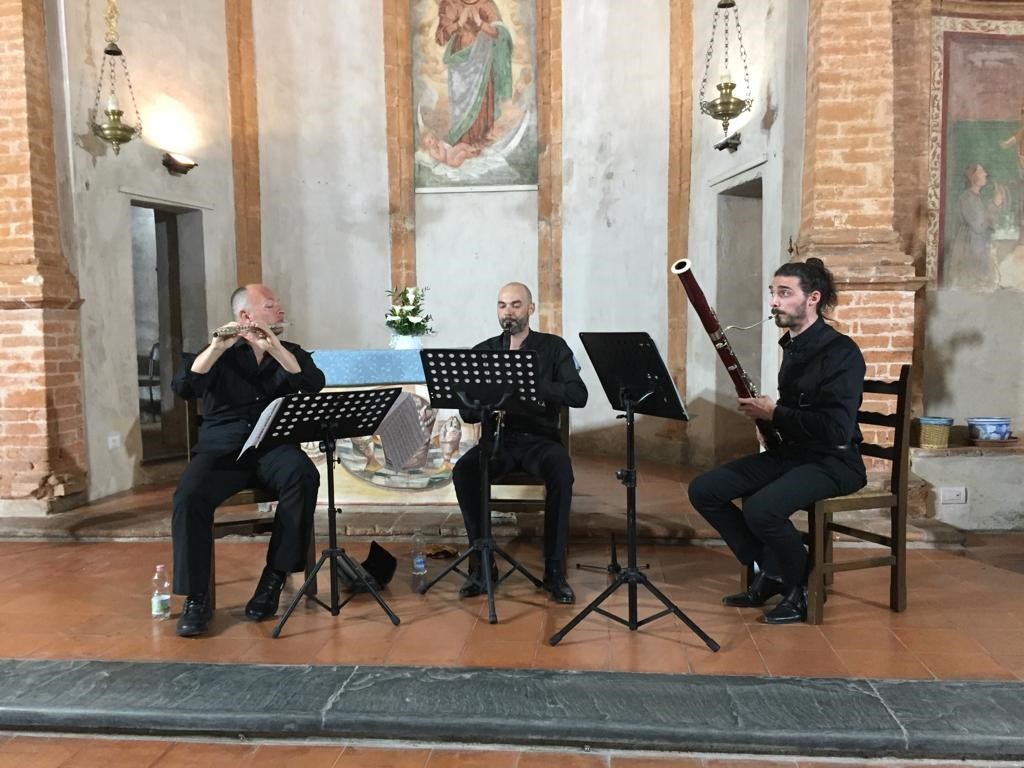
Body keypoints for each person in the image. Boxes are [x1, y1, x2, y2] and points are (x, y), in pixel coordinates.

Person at [687, 258, 867, 625]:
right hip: (795, 453)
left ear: (813, 298)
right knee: (704, 490)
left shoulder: (842, 352)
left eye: (784, 293)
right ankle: (774, 570)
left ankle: (801, 590)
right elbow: (797, 409)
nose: (774, 302)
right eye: (773, 293)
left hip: (836, 461)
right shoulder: (794, 346)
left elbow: (836, 429)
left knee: (761, 509)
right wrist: (768, 423)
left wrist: (776, 414)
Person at [170, 284, 325, 637]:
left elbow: (313, 384)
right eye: (271, 305)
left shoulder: (291, 353)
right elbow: (184, 387)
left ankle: (273, 579)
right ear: (245, 316)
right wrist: (215, 347)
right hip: (222, 452)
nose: (280, 310)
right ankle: (196, 597)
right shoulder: (217, 353)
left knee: (303, 475)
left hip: (273, 449)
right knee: (188, 496)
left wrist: (276, 349)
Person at [452, 282, 588, 603]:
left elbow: (577, 394)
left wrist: (532, 383)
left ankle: (554, 571)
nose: (508, 312)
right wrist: (480, 399)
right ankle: (482, 566)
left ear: (530, 308)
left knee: (561, 472)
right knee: (464, 472)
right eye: (502, 305)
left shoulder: (553, 347)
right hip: (499, 442)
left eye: (516, 305)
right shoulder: (484, 352)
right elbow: (467, 413)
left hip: (540, 441)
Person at [435, 0, 513, 148]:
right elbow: (440, 38)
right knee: (462, 102)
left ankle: (481, 139)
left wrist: (480, 23)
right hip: (460, 62)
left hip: (482, 59)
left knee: (483, 101)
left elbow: (500, 33)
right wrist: (459, 23)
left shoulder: (486, 3)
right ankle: (463, 141)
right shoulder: (450, 3)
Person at [947, 164, 1006, 289]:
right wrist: (994, 204)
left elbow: (988, 223)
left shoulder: (977, 198)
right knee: (972, 284)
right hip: (970, 246)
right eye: (981, 171)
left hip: (979, 245)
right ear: (972, 177)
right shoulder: (967, 198)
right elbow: (979, 225)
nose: (985, 174)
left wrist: (995, 204)